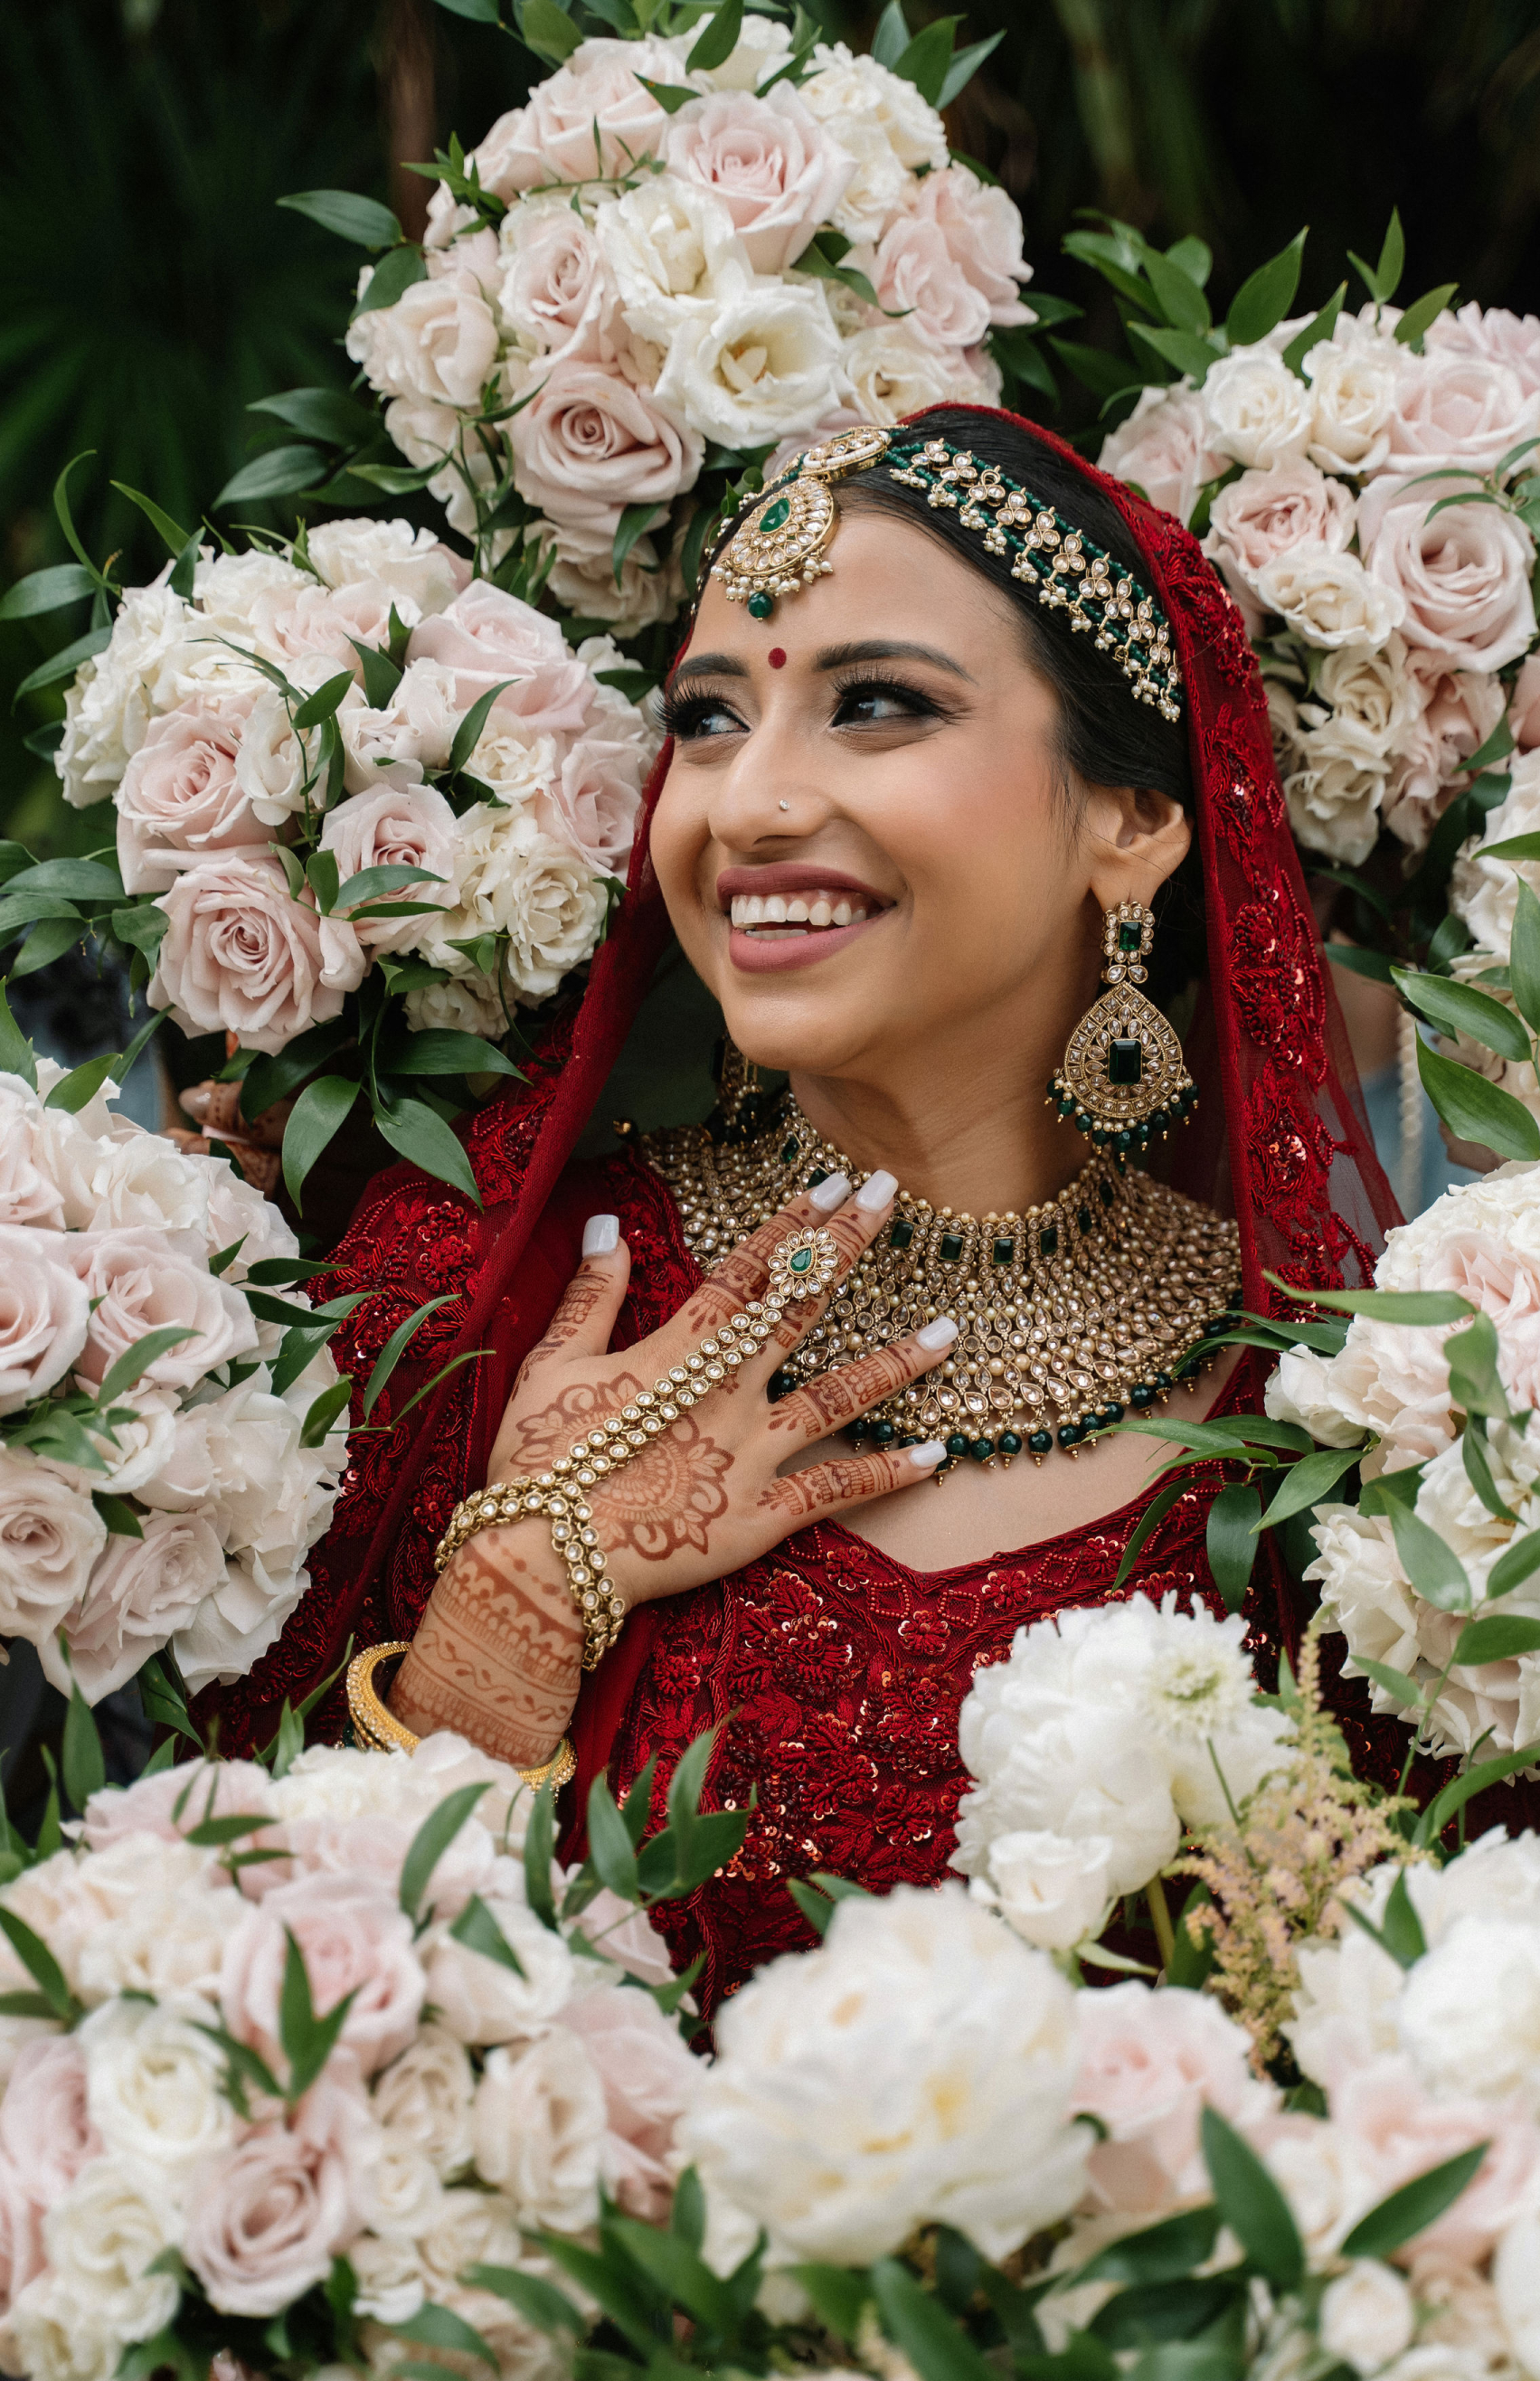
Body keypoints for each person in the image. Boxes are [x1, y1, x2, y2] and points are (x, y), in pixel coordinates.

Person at [204, 405, 1412, 2011]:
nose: (748, 805)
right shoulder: (481, 1286)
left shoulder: (1330, 1420)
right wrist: (516, 1600)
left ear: (1132, 823)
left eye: (878, 707)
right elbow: (224, 1981)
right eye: (709, 721)